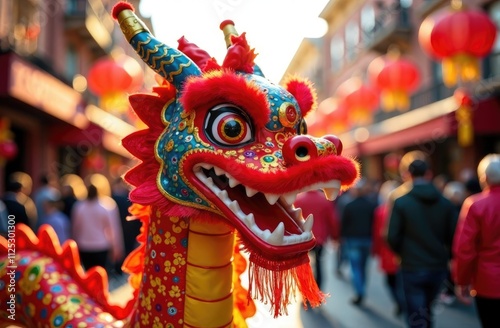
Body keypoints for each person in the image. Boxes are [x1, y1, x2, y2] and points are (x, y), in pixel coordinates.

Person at [386, 158, 457, 328]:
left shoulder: (401, 201)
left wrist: (402, 253)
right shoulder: (445, 203)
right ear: (428, 174)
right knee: (426, 310)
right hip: (437, 266)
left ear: (408, 174)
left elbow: (392, 236)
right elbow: (453, 236)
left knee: (416, 312)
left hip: (412, 266)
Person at [453, 154, 500, 328]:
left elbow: (465, 248)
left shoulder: (475, 204)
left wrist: (462, 281)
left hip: (487, 281)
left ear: (484, 178)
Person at [340, 178, 377, 306]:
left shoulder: (349, 206)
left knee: (356, 268)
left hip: (353, 240)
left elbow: (343, 224)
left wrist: (341, 239)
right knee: (363, 267)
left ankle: (360, 291)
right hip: (367, 239)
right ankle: (361, 289)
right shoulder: (371, 205)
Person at [71, 183, 124, 271]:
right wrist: (116, 247)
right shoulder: (106, 206)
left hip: (84, 245)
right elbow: (113, 228)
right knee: (101, 272)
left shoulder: (79, 206)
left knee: (88, 272)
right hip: (101, 245)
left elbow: (75, 228)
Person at [294, 189, 339, 290]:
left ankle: (306, 291)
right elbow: (332, 220)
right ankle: (318, 290)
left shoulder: (299, 199)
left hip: (302, 238)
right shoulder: (324, 200)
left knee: (304, 265)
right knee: (319, 264)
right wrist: (335, 236)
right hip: (320, 238)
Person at [372, 179, 403, 316]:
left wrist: (376, 251)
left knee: (391, 281)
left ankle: (400, 302)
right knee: (399, 281)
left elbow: (377, 235)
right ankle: (401, 302)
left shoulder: (380, 212)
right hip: (400, 252)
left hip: (387, 251)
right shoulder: (402, 209)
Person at [111, 178, 140, 275]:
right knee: (127, 248)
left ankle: (118, 268)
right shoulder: (129, 197)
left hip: (121, 228)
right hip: (129, 228)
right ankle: (123, 268)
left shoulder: (111, 197)